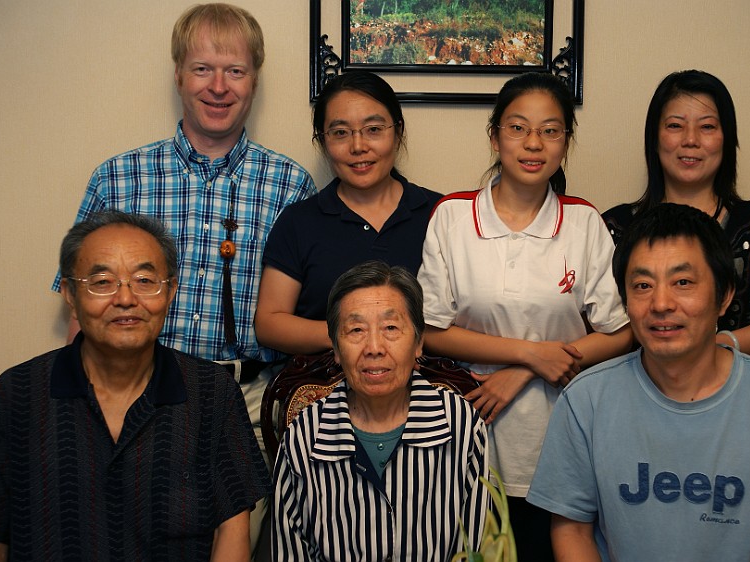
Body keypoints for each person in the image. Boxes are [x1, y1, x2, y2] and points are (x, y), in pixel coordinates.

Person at [51, 3, 316, 547]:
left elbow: (302, 314)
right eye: (202, 69)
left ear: (254, 80)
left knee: (232, 542)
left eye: (235, 71)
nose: (218, 86)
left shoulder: (289, 184)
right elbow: (80, 308)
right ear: (178, 75)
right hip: (131, 391)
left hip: (246, 399)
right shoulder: (119, 178)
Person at [527, 203, 750, 561]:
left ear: (724, 295)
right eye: (642, 285)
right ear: (624, 300)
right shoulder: (585, 401)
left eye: (682, 282)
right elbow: (572, 529)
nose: (661, 303)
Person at [416, 71, 632, 560]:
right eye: (517, 128)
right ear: (494, 136)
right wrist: (531, 354)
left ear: (566, 142)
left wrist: (522, 369)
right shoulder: (453, 216)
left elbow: (620, 334)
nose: (533, 143)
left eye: (551, 131)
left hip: (557, 432)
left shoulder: (583, 222)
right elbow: (429, 330)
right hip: (464, 426)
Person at [0, 211, 271, 562]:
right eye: (103, 282)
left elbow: (232, 531)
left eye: (144, 280)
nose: (125, 299)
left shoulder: (212, 393)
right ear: (70, 294)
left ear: (170, 292)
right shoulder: (15, 395)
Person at [270, 261, 489, 560]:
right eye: (356, 329)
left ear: (418, 342)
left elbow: (478, 549)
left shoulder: (461, 425)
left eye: (390, 327)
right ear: (335, 348)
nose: (374, 346)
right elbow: (290, 552)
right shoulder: (303, 436)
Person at [602, 70, 750, 358]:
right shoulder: (614, 227)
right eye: (675, 126)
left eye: (707, 127)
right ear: (654, 137)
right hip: (633, 392)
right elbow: (599, 326)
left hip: (729, 389)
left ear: (726, 139)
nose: (690, 140)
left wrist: (703, 347)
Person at [254, 71, 442, 355]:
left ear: (398, 131)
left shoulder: (440, 214)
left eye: (374, 129)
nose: (358, 146)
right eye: (340, 133)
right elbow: (269, 323)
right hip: (321, 389)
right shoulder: (298, 221)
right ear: (322, 140)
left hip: (421, 388)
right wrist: (353, 335)